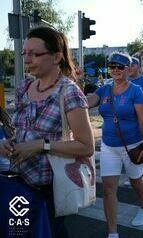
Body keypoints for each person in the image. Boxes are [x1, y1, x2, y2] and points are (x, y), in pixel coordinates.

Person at [0, 27, 94, 237]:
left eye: (35, 53)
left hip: (49, 191)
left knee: (49, 232)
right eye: (25, 53)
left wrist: (42, 145)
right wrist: (10, 143)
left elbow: (86, 146)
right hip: (19, 183)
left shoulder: (69, 92)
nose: (27, 59)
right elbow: (25, 130)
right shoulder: (24, 87)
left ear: (56, 57)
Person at [86, 52, 143, 238]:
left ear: (128, 69)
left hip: (132, 146)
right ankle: (113, 233)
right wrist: (75, 85)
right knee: (108, 189)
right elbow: (86, 102)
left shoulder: (135, 90)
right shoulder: (104, 89)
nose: (115, 69)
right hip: (108, 146)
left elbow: (142, 120)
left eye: (120, 66)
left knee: (136, 183)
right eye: (112, 66)